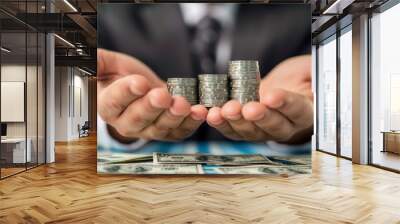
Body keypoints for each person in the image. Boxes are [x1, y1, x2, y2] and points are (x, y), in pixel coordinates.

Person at [97, 3, 313, 148]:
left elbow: (308, 100)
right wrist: (118, 126)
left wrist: (301, 130)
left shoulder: (299, 18)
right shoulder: (112, 17)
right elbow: (101, 94)